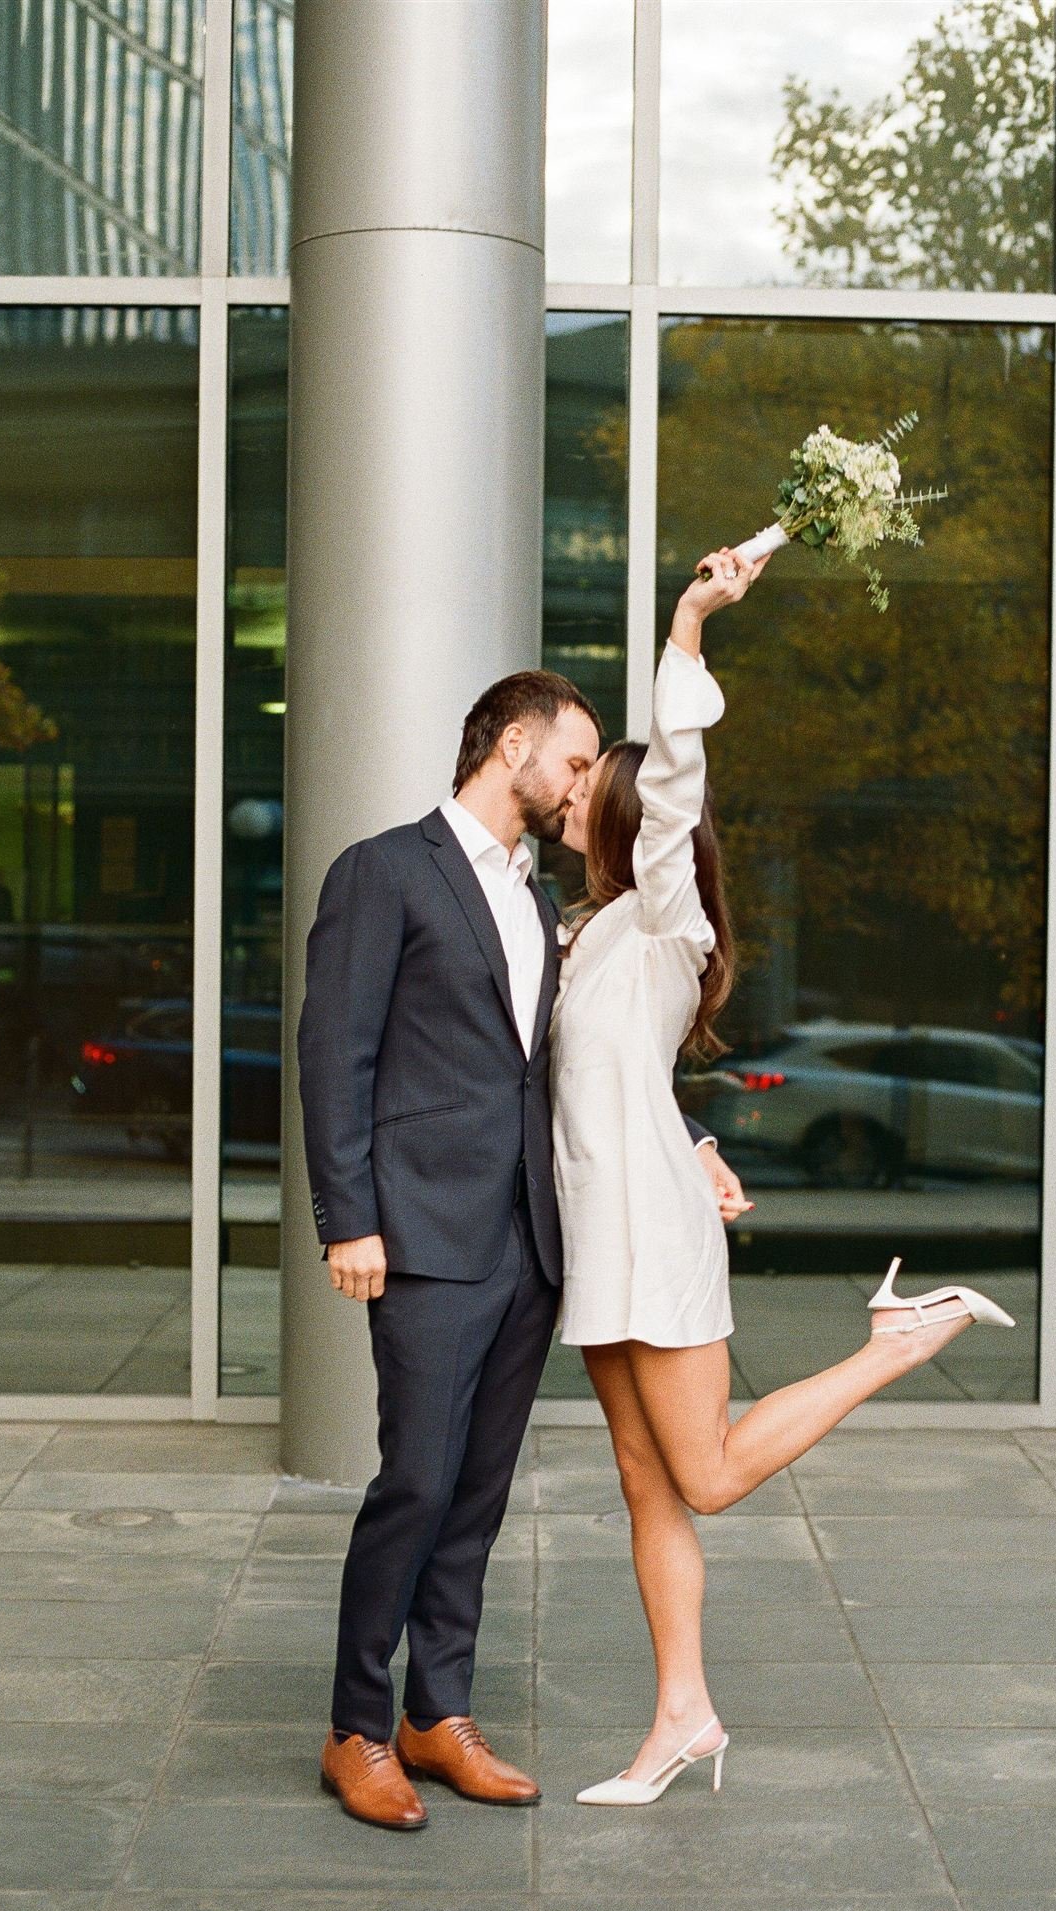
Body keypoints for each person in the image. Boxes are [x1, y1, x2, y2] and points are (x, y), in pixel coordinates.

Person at [551, 546, 1015, 1807]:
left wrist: (690, 621)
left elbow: (676, 786)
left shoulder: (658, 915)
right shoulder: (589, 930)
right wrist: (695, 1139)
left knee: (699, 1472)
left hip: (648, 1233)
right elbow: (600, 1082)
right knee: (647, 1484)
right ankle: (682, 1718)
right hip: (603, 1233)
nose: (575, 787)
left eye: (591, 776)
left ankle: (890, 1342)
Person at [296, 666, 745, 1829]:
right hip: (422, 1237)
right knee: (415, 1482)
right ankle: (356, 1726)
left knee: (480, 1494)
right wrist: (348, 1216)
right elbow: (332, 1054)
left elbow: (583, 1065)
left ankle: (435, 1713)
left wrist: (690, 1135)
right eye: (575, 755)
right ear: (511, 747)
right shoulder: (384, 871)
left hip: (532, 1244)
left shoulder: (551, 908)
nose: (580, 782)